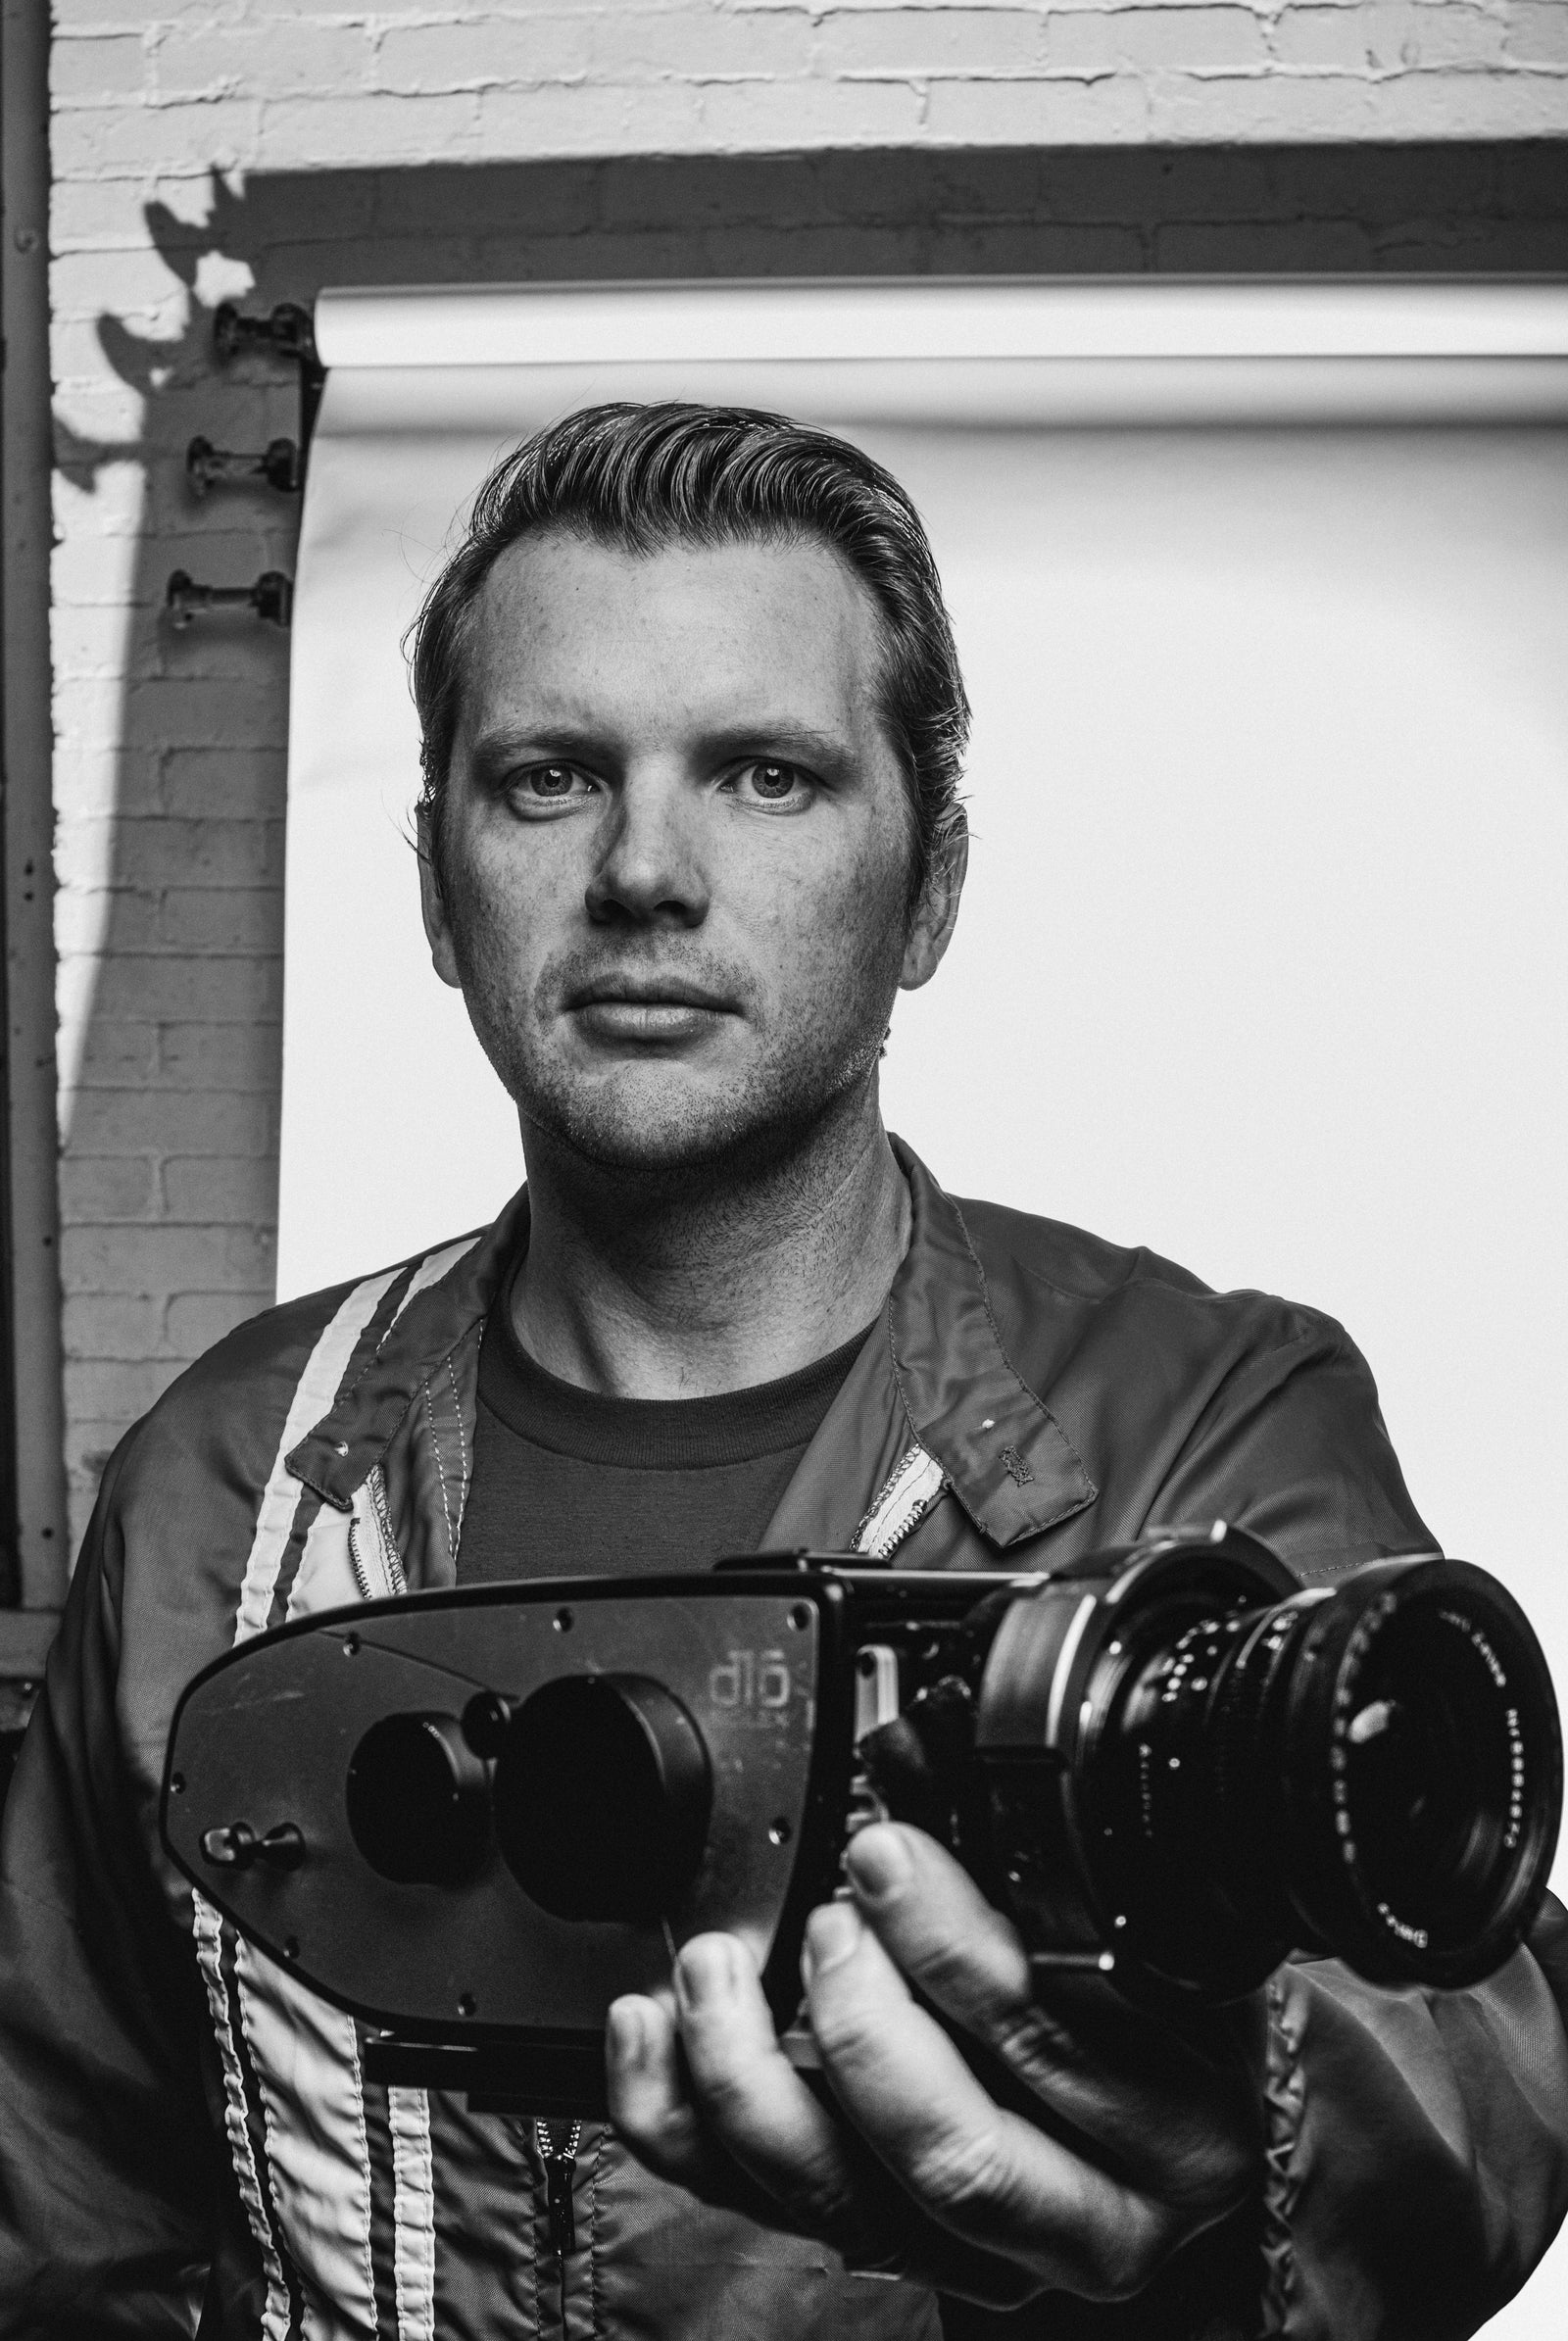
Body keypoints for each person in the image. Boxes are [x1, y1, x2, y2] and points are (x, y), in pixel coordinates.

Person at [1, 402, 1565, 2341]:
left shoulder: (1200, 1418)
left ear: (929, 888)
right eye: (551, 776)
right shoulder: (225, 1482)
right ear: (435, 888)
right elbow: (64, 2211)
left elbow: (1471, 2052)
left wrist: (1228, 2144)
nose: (644, 871)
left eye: (763, 775)